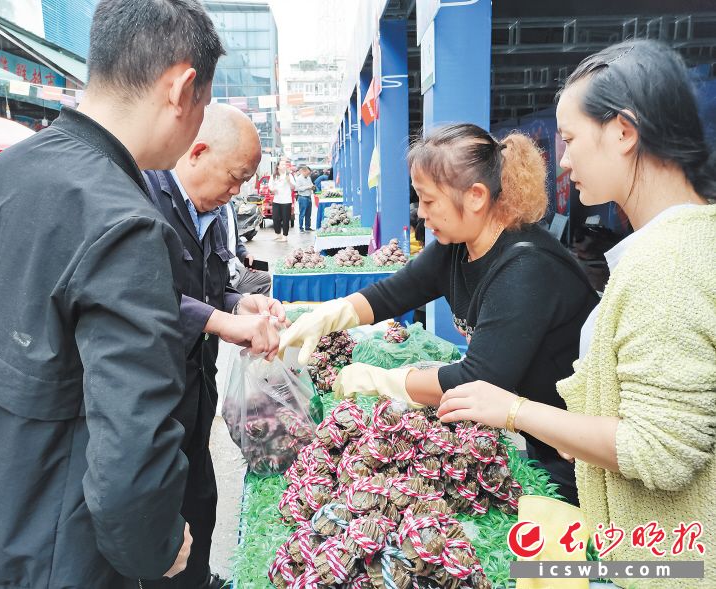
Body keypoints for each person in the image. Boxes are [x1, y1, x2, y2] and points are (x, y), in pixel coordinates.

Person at [0, 1, 225, 587]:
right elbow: (132, 435)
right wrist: (158, 543)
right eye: (204, 104)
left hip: (1, 519)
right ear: (181, 88)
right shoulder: (124, 221)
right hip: (71, 549)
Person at [438, 40, 716, 587]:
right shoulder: (672, 246)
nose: (562, 160)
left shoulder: (669, 264)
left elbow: (657, 451)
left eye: (569, 140)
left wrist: (514, 410)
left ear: (624, 133)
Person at [280, 123, 599, 504]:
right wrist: (333, 314)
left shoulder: (525, 267)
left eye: (429, 201)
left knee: (559, 555)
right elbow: (390, 294)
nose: (421, 213)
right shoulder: (457, 246)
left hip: (580, 450)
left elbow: (477, 379)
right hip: (538, 433)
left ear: (476, 196)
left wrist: (384, 380)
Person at [143, 103, 283, 589]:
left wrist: (241, 304)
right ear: (197, 152)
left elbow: (213, 284)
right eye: (235, 177)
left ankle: (198, 578)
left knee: (199, 494)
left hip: (195, 384)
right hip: (149, 390)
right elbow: (139, 296)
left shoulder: (217, 210)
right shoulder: (143, 196)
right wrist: (220, 320)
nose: (237, 191)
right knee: (160, 510)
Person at [221, 200, 272, 295]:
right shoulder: (212, 207)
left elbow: (235, 239)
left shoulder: (229, 204)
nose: (236, 190)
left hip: (234, 272)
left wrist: (244, 255)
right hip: (221, 279)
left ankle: (258, 308)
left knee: (264, 280)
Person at [269, 159, 294, 241]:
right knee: (275, 218)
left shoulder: (289, 175)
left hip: (286, 200)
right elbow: (270, 187)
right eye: (282, 164)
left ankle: (285, 236)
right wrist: (272, 190)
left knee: (286, 218)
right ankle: (278, 234)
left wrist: (289, 181)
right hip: (276, 200)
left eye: (285, 164)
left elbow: (293, 187)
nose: (284, 166)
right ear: (278, 166)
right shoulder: (273, 176)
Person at [295, 165, 315, 232]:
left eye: (309, 173)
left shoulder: (308, 178)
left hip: (309, 197)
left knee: (308, 214)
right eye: (307, 173)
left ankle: (307, 227)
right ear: (303, 171)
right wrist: (307, 187)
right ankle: (301, 227)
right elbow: (297, 188)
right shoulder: (299, 179)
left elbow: (311, 184)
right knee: (302, 213)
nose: (308, 174)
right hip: (302, 197)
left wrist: (312, 187)